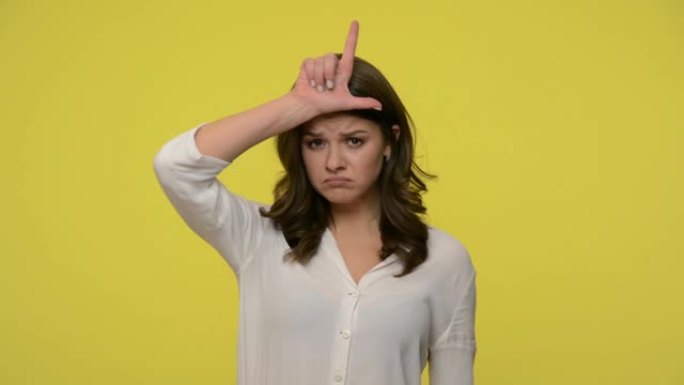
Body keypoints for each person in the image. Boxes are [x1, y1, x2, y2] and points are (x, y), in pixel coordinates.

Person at [153, 20, 477, 385]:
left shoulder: (444, 260)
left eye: (354, 141)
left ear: (390, 142)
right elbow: (175, 167)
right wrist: (295, 105)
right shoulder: (259, 239)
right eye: (315, 142)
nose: (333, 162)